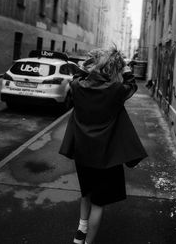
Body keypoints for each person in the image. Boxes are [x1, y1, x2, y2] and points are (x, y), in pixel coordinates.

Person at [59, 46, 147, 244]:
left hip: (82, 152)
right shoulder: (115, 91)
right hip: (107, 156)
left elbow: (75, 78)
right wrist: (125, 70)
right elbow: (131, 86)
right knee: (98, 203)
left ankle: (80, 232)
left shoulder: (78, 87)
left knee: (86, 194)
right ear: (112, 70)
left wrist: (86, 67)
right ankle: (87, 243)